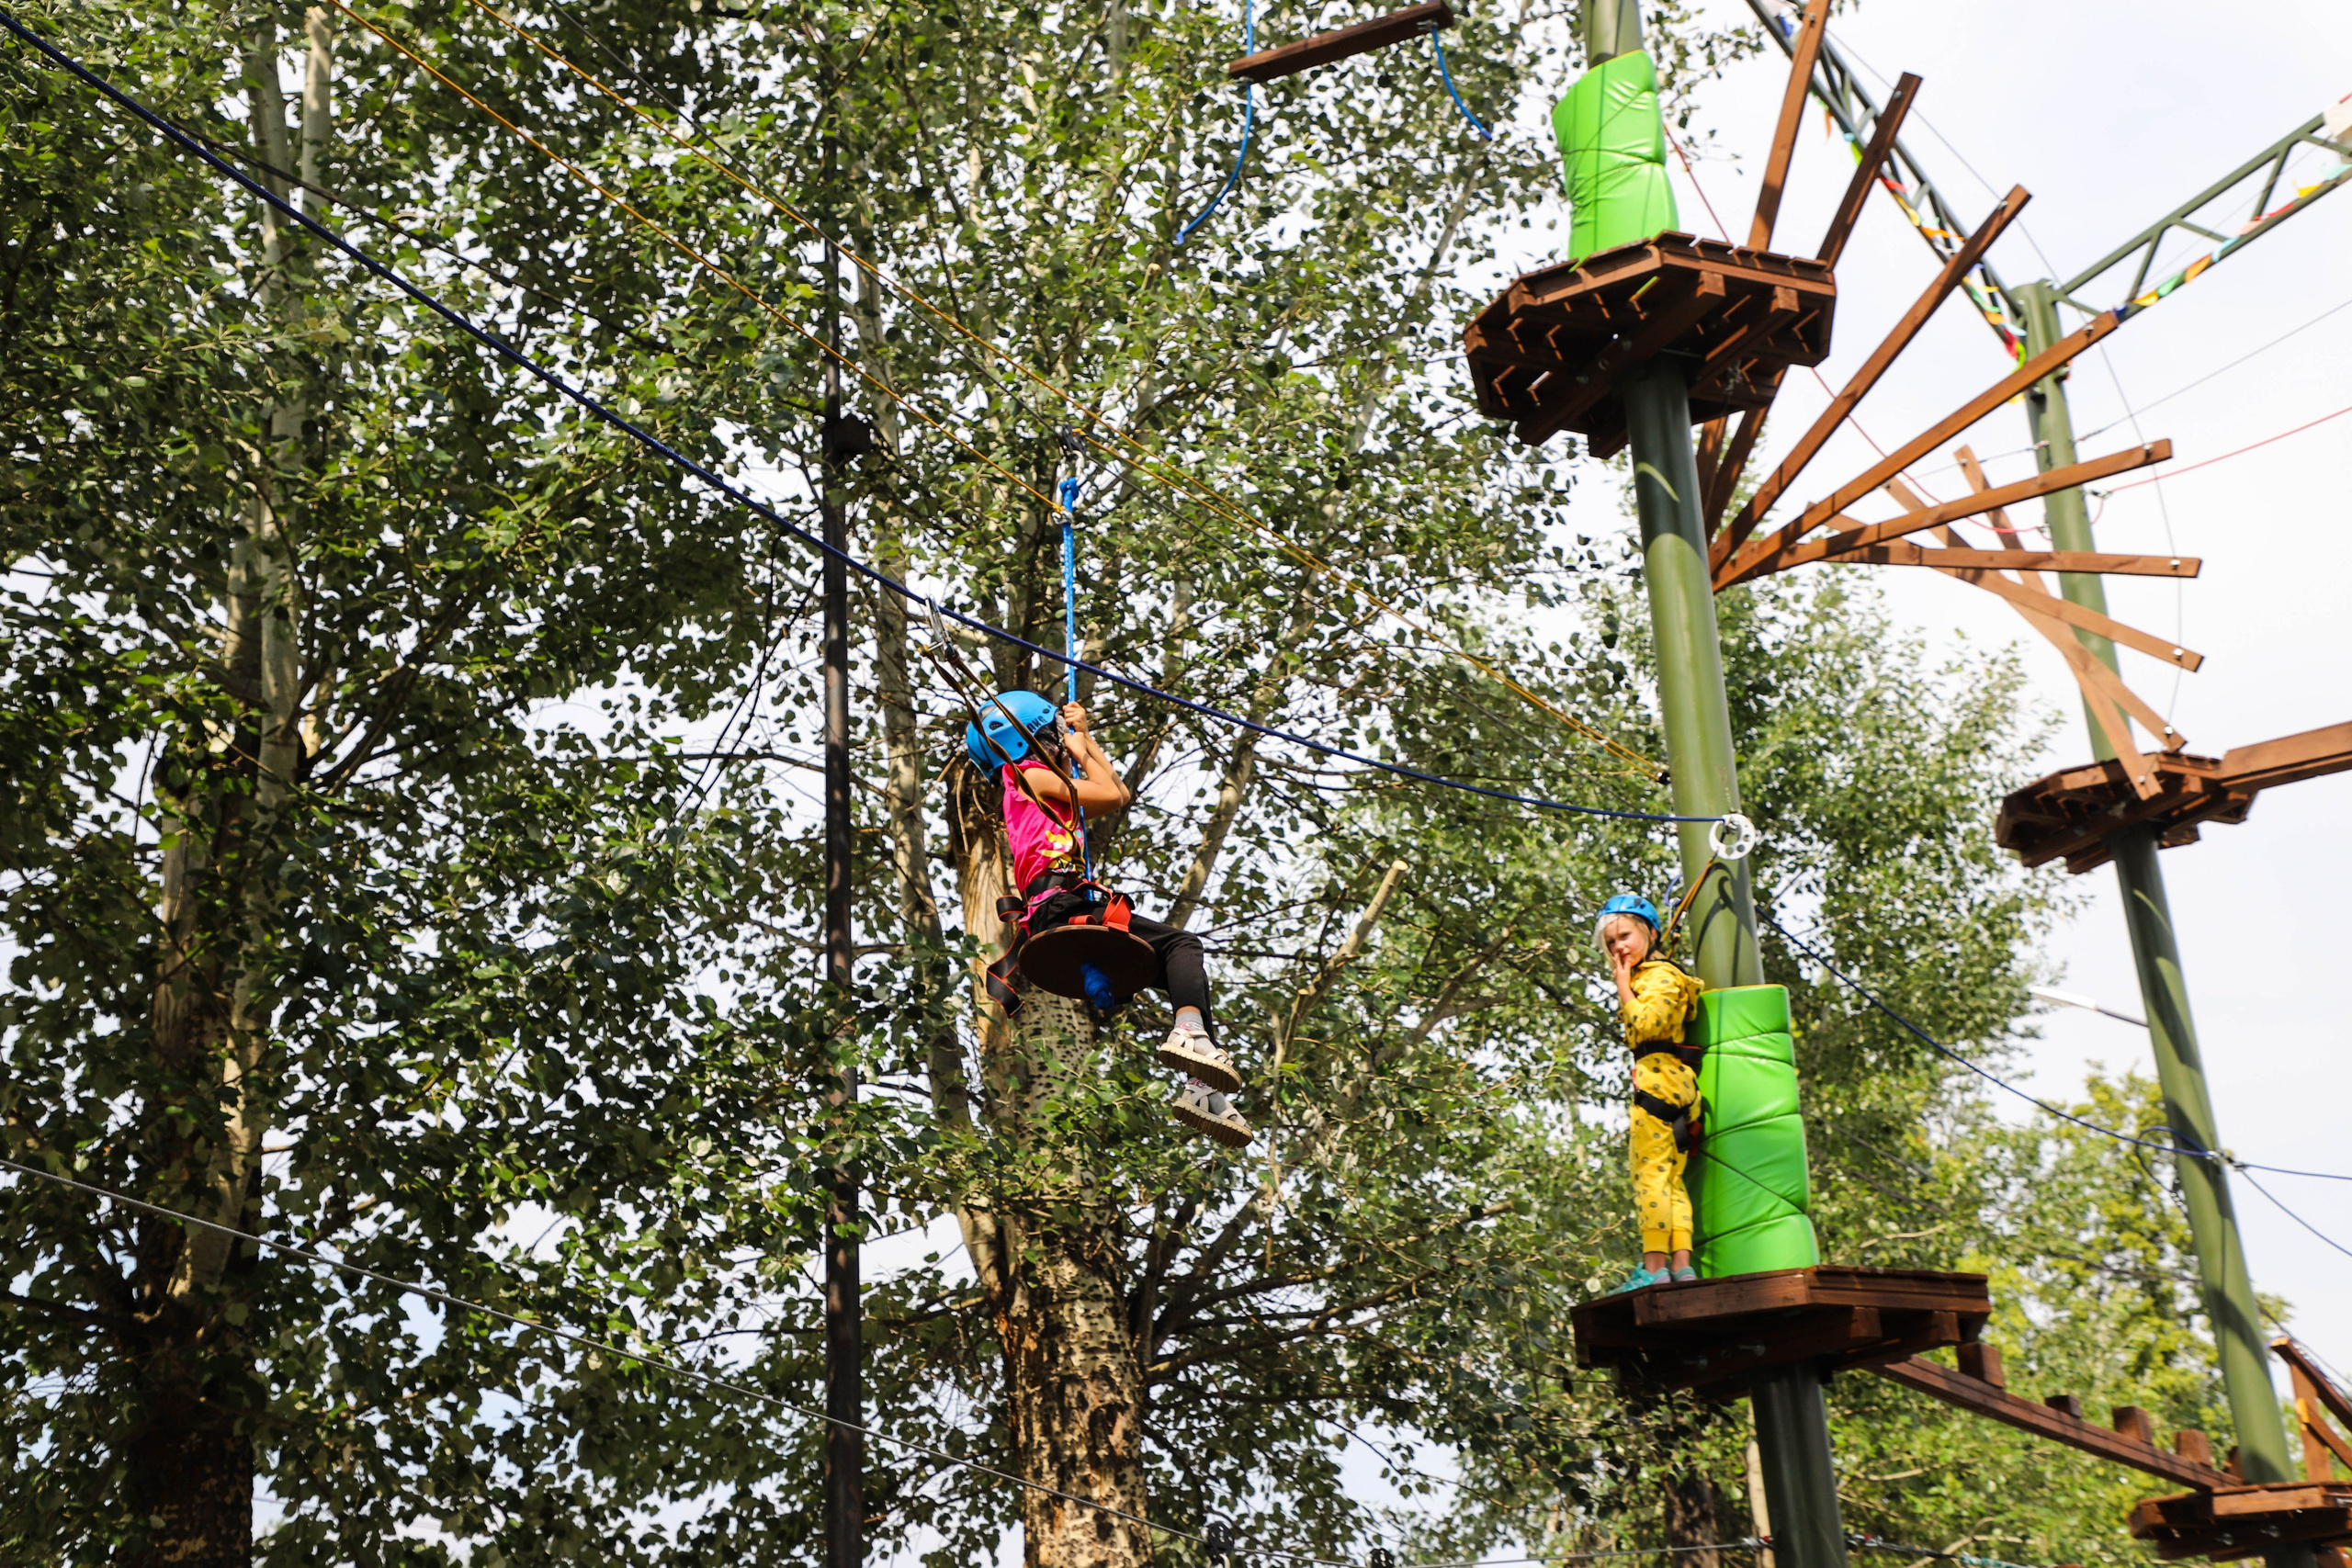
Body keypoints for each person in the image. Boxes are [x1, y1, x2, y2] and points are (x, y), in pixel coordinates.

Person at [967, 690, 1251, 1148]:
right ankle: (1190, 1035)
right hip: (1060, 902)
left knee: (1181, 971)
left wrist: (1084, 741)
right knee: (1184, 945)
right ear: (1034, 739)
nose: (1060, 745)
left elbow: (1117, 793)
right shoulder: (1030, 774)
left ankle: (1204, 1087)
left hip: (1054, 906)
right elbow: (1110, 795)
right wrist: (1081, 743)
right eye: (1053, 735)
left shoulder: (1028, 785)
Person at [1595, 893, 1703, 1292]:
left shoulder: (1659, 977)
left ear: (1651, 932)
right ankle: (1681, 1266)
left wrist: (1624, 986)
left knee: (1650, 1179)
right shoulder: (1663, 976)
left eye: (1624, 936)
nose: (1618, 947)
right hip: (1672, 1083)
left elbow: (1648, 1024)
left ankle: (1654, 1268)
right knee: (1671, 1181)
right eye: (1610, 943)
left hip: (1658, 1083)